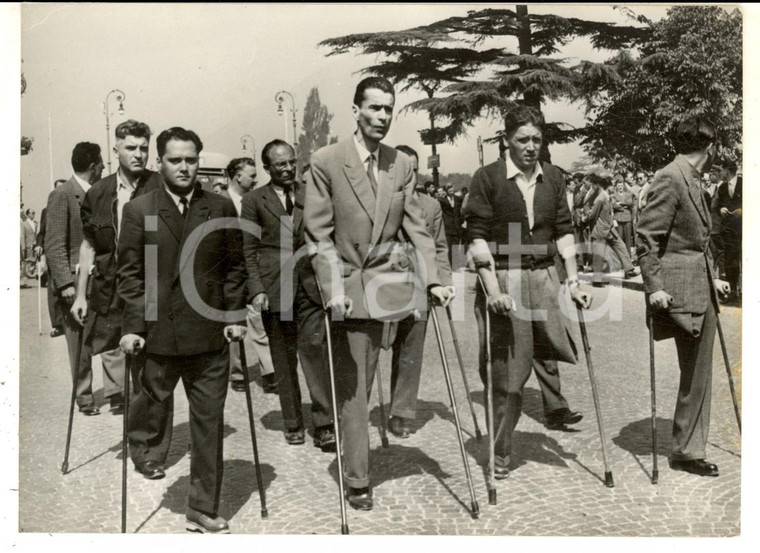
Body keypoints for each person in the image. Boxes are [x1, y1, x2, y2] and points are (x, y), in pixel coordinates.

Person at [305, 77, 452, 510]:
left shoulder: (399, 165)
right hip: (348, 288)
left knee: (404, 357)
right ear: (356, 110)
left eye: (389, 109)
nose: (383, 117)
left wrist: (434, 279)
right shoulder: (327, 161)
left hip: (391, 285)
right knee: (355, 389)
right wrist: (331, 288)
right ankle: (357, 477)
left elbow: (417, 229)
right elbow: (318, 235)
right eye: (374, 108)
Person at [118, 127, 247, 533]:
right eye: (175, 160)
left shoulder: (220, 206)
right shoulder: (141, 210)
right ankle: (146, 452)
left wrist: (233, 317)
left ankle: (202, 506)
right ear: (160, 163)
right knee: (151, 406)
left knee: (208, 423)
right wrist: (134, 326)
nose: (184, 167)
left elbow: (234, 269)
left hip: (209, 338)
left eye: (191, 159)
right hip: (157, 337)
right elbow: (131, 275)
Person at [463, 105, 591, 479]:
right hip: (504, 279)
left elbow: (564, 231)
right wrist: (492, 291)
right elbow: (477, 238)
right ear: (506, 140)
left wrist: (573, 280)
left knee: (552, 353)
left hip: (543, 279)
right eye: (523, 139)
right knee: (507, 378)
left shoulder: (553, 177)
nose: (531, 146)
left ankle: (553, 407)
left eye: (537, 139)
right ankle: (500, 450)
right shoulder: (488, 178)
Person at [70, 120, 171, 478]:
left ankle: (147, 450)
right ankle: (142, 438)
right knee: (125, 367)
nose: (139, 154)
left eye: (144, 147)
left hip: (153, 292)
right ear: (116, 150)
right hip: (111, 292)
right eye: (131, 147)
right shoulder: (98, 193)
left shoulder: (162, 185)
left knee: (151, 373)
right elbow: (88, 245)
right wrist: (81, 293)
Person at [637, 115, 729, 478]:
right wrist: (654, 287)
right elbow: (647, 237)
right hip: (678, 295)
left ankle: (689, 446)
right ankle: (686, 451)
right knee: (695, 373)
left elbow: (698, 241)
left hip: (700, 287)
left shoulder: (691, 178)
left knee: (698, 373)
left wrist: (715, 278)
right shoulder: (671, 178)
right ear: (710, 147)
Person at [241, 141, 336, 451]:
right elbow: (248, 249)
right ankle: (293, 422)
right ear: (267, 169)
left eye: (291, 162)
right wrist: (256, 289)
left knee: (315, 352)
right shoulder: (254, 201)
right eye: (279, 165)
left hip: (310, 287)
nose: (286, 168)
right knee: (283, 360)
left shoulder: (311, 193)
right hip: (274, 289)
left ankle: (324, 424)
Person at [385, 145, 454, 438]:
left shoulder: (431, 206)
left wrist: (443, 281)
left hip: (417, 285)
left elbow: (439, 247)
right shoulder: (381, 199)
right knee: (374, 347)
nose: (410, 174)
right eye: (405, 169)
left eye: (414, 168)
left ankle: (401, 411)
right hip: (382, 284)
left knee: (410, 351)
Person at [45, 142, 106, 416]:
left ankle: (116, 392)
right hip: (74, 283)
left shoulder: (101, 194)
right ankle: (84, 396)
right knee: (79, 344)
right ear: (93, 166)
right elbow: (54, 244)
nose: (104, 167)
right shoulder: (62, 195)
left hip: (102, 280)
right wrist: (66, 284)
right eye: (101, 163)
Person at [222, 157, 277, 395]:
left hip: (253, 270)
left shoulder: (256, 202)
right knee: (234, 321)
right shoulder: (220, 202)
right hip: (229, 273)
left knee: (259, 320)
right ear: (237, 177)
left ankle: (270, 373)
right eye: (251, 176)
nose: (255, 180)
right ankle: (237, 373)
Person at [584, 174, 638, 285]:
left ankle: (629, 269)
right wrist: (586, 217)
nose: (612, 188)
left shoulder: (605, 195)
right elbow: (593, 215)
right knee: (599, 255)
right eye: (610, 186)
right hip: (600, 229)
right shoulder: (600, 198)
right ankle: (597, 279)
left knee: (621, 246)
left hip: (609, 228)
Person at [36, 180, 67, 335]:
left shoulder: (73, 206)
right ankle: (58, 324)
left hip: (68, 253)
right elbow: (42, 232)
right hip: (52, 253)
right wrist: (39, 245)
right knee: (54, 289)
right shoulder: (46, 210)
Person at [714, 159, 742, 303]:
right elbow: (719, 204)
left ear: (727, 170)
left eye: (721, 170)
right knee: (730, 260)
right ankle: (732, 291)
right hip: (729, 230)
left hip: (744, 228)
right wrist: (721, 209)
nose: (720, 173)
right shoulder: (723, 187)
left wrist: (742, 211)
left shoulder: (744, 183)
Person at [612, 180, 636, 256]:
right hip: (618, 218)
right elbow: (613, 205)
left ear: (624, 186)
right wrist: (624, 206)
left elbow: (630, 202)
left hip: (627, 218)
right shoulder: (613, 195)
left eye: (621, 185)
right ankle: (621, 257)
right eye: (618, 186)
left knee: (628, 238)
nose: (620, 187)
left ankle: (628, 256)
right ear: (616, 186)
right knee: (620, 238)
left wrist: (619, 203)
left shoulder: (628, 194)